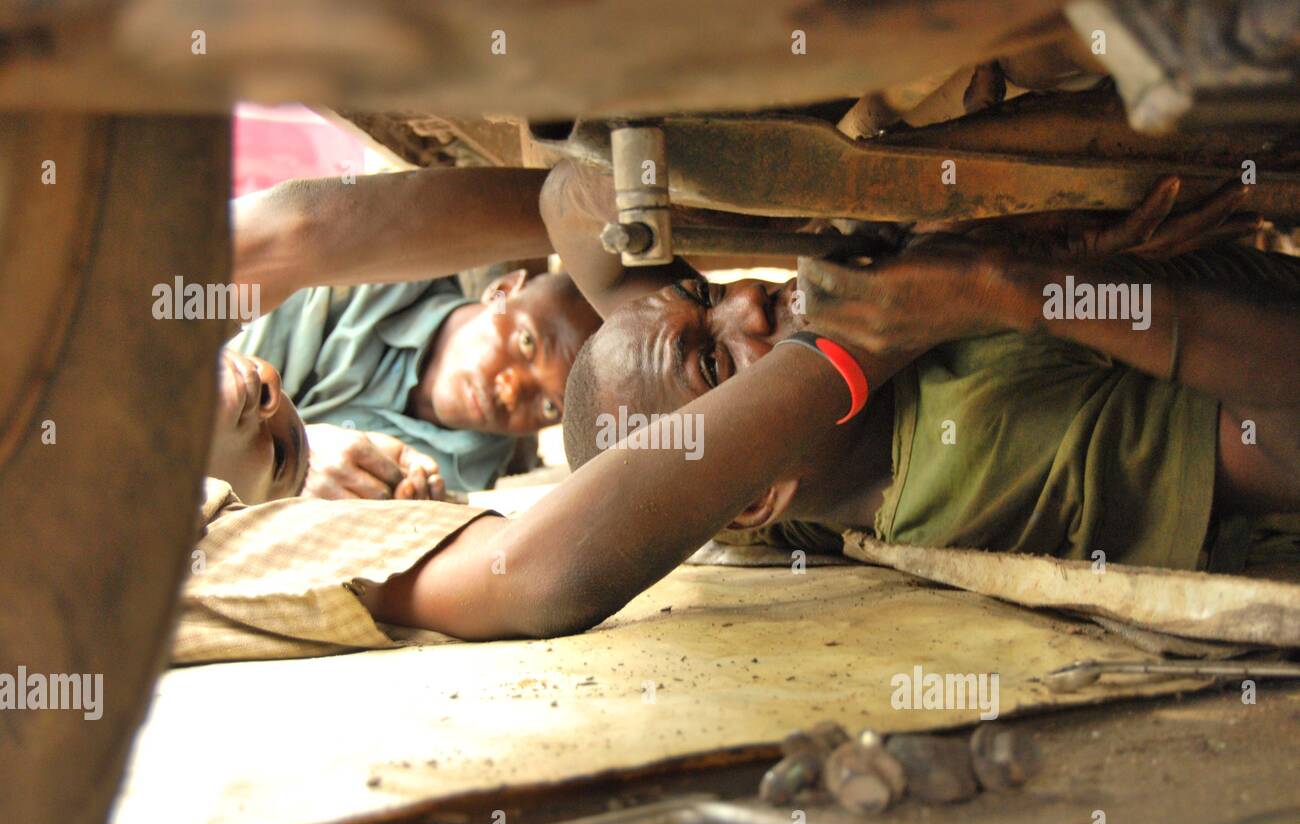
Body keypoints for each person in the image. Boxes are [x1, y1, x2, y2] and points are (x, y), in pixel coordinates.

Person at [541, 162, 1300, 573]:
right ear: (752, 499)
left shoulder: (778, 490)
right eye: (714, 359)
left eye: (705, 293)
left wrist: (806, 193)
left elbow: (565, 204)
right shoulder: (983, 448)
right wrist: (1019, 287)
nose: (747, 298)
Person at [231, 167, 600, 495]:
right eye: (526, 343)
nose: (512, 390)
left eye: (550, 406)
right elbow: (293, 230)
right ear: (501, 291)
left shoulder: (464, 472)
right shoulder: (368, 275)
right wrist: (299, 458)